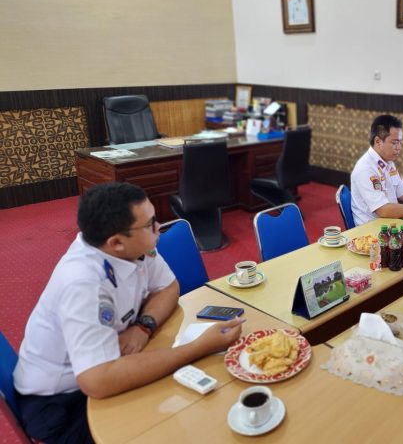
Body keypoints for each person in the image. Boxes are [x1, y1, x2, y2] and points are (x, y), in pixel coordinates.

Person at [13, 182, 243, 443]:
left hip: (106, 364)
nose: (159, 228)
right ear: (116, 242)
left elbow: (168, 287)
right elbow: (98, 381)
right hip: (62, 403)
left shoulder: (135, 246)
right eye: (150, 224)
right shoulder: (83, 283)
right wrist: (199, 347)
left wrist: (144, 326)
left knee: (193, 404)